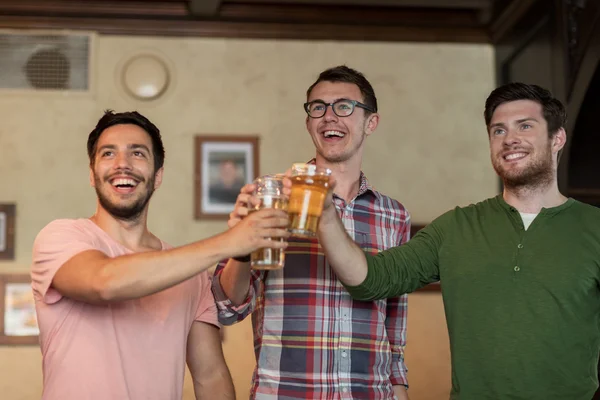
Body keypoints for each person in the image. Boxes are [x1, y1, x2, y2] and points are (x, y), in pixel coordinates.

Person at [313, 82, 600, 399]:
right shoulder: (454, 227)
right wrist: (326, 216)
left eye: (526, 126)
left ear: (556, 138)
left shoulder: (594, 228)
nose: (509, 139)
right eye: (498, 131)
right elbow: (370, 281)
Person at [31, 110, 290, 400]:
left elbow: (211, 377)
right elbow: (103, 281)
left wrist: (239, 250)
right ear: (92, 174)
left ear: (158, 176)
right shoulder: (61, 237)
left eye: (137, 153)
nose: (122, 164)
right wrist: (231, 241)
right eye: (108, 154)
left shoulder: (191, 271)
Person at [212, 66, 411, 399]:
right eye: (318, 107)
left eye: (344, 106)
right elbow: (228, 308)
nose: (329, 117)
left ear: (371, 123)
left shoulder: (394, 215)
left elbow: (394, 330)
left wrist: (400, 391)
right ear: (308, 124)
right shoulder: (271, 198)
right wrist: (241, 246)